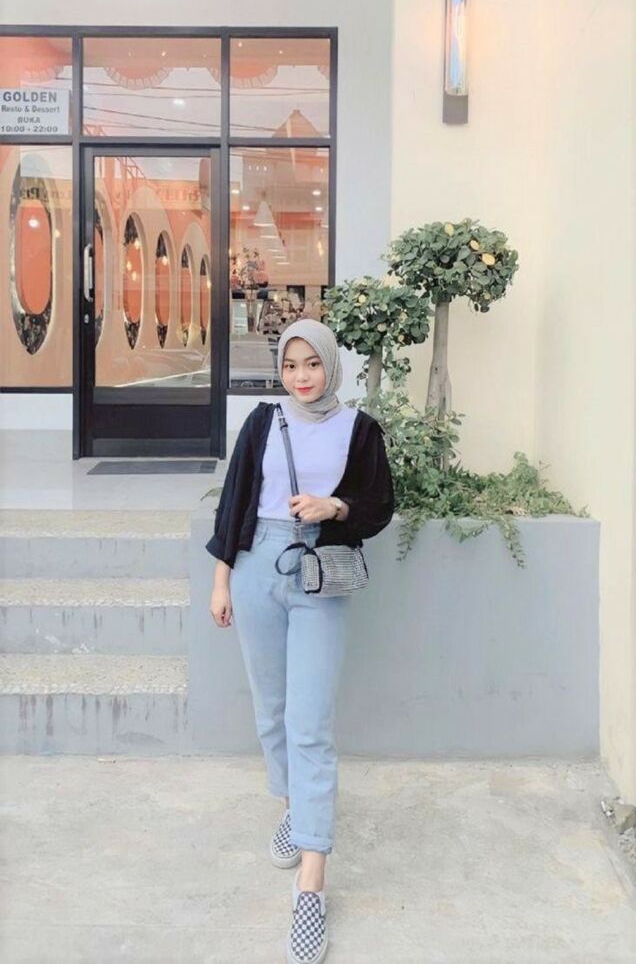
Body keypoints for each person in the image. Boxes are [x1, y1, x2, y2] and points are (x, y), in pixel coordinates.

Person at [207, 318, 394, 964]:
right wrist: (222, 580)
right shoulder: (263, 421)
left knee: (310, 724)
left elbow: (379, 504)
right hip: (256, 565)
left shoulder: (359, 429)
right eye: (290, 365)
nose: (301, 376)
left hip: (320, 570)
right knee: (273, 711)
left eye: (312, 363)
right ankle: (293, 806)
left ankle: (311, 881)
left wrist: (334, 507)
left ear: (331, 365)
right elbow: (234, 500)